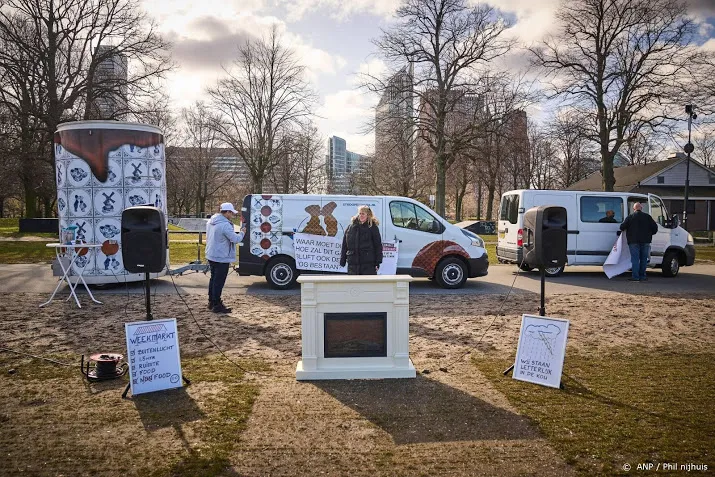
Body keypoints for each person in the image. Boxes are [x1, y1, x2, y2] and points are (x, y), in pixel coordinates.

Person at [205, 202, 245, 313]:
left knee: (213, 279)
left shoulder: (211, 222)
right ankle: (217, 304)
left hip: (211, 254)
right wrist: (242, 233)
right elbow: (235, 239)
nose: (232, 215)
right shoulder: (225, 225)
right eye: (231, 213)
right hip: (222, 256)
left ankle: (211, 302)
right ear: (226, 212)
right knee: (219, 281)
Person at [619, 202, 658, 282]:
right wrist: (649, 234)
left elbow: (622, 227)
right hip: (646, 241)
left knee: (635, 259)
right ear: (641, 208)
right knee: (644, 259)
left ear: (634, 209)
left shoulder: (630, 217)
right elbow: (655, 228)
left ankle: (635, 277)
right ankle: (643, 276)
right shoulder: (648, 217)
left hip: (633, 241)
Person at [340, 205, 383, 275]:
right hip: (353, 264)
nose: (361, 215)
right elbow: (345, 245)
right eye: (360, 213)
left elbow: (378, 245)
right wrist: (343, 260)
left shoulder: (372, 228)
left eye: (363, 214)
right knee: (353, 286)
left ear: (368, 215)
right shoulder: (350, 227)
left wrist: (377, 262)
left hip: (368, 264)